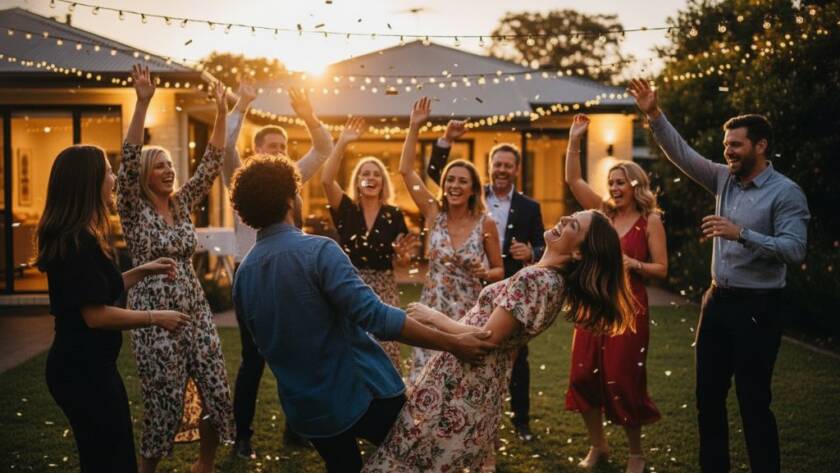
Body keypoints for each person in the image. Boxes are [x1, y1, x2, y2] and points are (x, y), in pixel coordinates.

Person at [229, 154, 499, 473]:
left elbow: (260, 348)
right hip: (364, 396)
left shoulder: (243, 275)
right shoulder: (319, 251)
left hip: (308, 410)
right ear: (290, 200)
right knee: (419, 461)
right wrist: (453, 343)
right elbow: (379, 319)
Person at [628, 78, 810, 473]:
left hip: (758, 307)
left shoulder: (786, 193)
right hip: (716, 302)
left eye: (736, 145)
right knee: (707, 398)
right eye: (726, 145)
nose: (728, 151)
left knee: (753, 401)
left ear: (760, 146)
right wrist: (654, 114)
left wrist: (740, 233)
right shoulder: (723, 178)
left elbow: (795, 250)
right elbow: (682, 154)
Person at [363, 210, 636, 472]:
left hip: (463, 382)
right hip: (479, 382)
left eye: (573, 225)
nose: (564, 219)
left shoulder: (537, 280)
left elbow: (485, 339)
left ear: (578, 252)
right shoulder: (552, 281)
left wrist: (434, 317)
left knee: (412, 458)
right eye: (571, 217)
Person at [36, 144, 191, 473]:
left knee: (109, 456)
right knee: (110, 460)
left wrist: (143, 270)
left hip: (92, 367)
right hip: (81, 372)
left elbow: (100, 290)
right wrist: (155, 317)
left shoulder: (82, 235)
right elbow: (96, 316)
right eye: (108, 170)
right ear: (89, 181)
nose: (115, 177)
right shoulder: (77, 241)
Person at [116, 64, 234, 473]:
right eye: (160, 166)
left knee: (216, 388)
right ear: (145, 175)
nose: (169, 171)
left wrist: (222, 112)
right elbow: (128, 160)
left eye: (171, 165)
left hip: (195, 309)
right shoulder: (132, 208)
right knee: (163, 400)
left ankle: (204, 466)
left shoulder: (181, 204)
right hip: (154, 315)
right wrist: (143, 102)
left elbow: (211, 165)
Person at [219, 78, 334, 457]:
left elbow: (322, 148)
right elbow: (224, 146)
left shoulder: (291, 179)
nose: (282, 153)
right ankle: (243, 436)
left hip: (293, 276)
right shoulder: (239, 178)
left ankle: (296, 430)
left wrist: (307, 115)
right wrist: (242, 105)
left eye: (285, 148)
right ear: (257, 150)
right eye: (274, 147)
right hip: (253, 277)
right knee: (253, 360)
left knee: (298, 354)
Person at [563, 113, 668, 473]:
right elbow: (573, 179)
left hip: (630, 308)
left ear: (636, 184)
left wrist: (633, 264)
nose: (615, 188)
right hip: (593, 306)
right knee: (582, 376)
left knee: (624, 380)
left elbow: (662, 269)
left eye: (621, 182)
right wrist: (575, 138)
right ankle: (599, 446)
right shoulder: (601, 215)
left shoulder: (650, 221)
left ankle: (635, 453)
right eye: (611, 182)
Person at [427, 123, 545, 441]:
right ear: (490, 166)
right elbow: (434, 173)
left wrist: (531, 250)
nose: (502, 169)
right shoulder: (470, 195)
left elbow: (543, 245)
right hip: (473, 289)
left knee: (517, 356)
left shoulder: (530, 207)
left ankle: (520, 421)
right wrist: (444, 141)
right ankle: (462, 420)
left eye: (508, 164)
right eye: (498, 163)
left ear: (516, 169)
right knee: (472, 352)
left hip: (513, 288)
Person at [400, 97, 504, 384]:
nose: (454, 186)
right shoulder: (434, 214)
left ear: (472, 190)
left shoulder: (486, 223)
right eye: (450, 180)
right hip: (431, 310)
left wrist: (486, 273)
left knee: (460, 382)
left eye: (462, 181)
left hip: (467, 314)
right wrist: (414, 127)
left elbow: (499, 270)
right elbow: (406, 172)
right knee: (424, 381)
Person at [321, 116, 419, 372]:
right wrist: (342, 142)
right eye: (366, 173)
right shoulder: (346, 210)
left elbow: (403, 261)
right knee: (353, 348)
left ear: (383, 182)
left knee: (386, 349)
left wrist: (402, 257)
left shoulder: (394, 215)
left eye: (377, 174)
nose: (371, 177)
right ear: (358, 180)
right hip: (350, 282)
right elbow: (326, 180)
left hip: (385, 285)